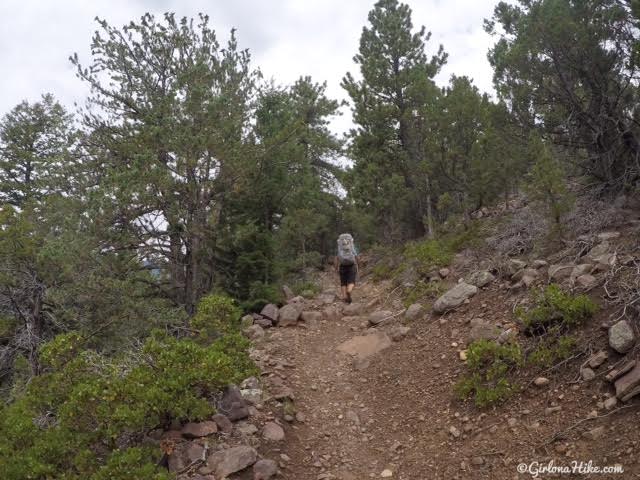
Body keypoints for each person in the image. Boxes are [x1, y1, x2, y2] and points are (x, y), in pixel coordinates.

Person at [335, 233, 358, 304]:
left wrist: (336, 267)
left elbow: (336, 258)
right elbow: (356, 256)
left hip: (342, 266)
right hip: (352, 265)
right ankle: (349, 291)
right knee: (351, 281)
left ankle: (345, 296)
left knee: (343, 282)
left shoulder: (339, 247)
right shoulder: (352, 246)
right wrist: (358, 263)